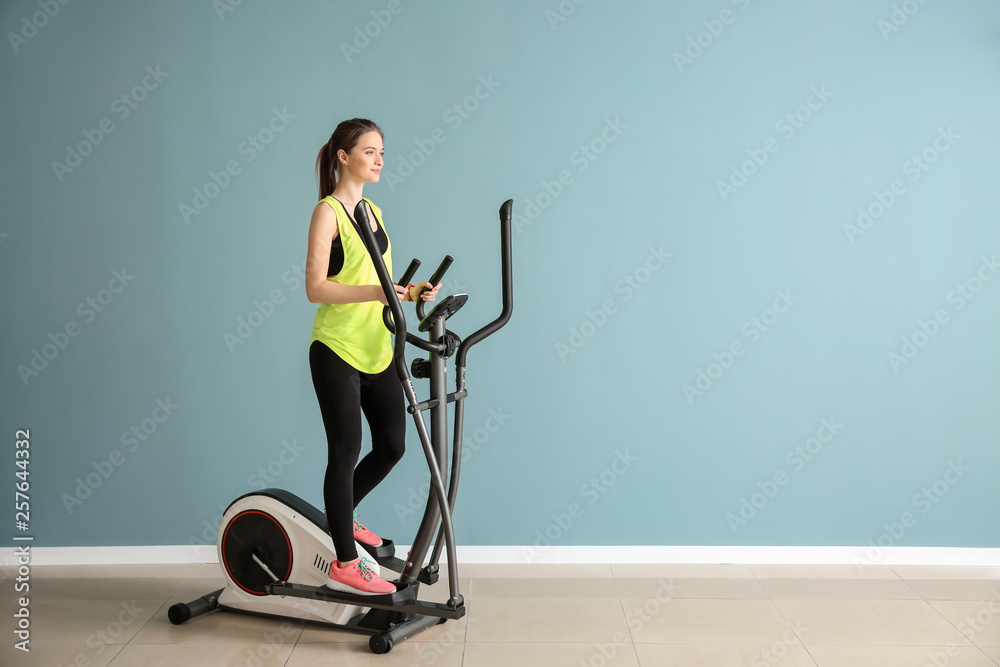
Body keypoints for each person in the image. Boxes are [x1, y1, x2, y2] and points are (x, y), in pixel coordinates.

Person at [305, 118, 439, 595]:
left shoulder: (375, 211)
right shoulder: (328, 212)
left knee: (392, 446)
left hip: (378, 348)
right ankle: (344, 561)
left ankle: (341, 515)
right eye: (369, 151)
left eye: (382, 151)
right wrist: (379, 290)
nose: (379, 159)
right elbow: (315, 288)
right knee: (344, 450)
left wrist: (411, 292)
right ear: (344, 156)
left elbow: (379, 279)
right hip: (337, 348)